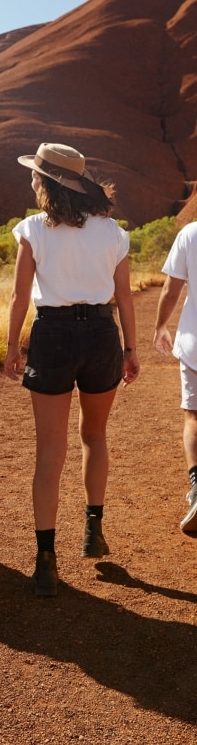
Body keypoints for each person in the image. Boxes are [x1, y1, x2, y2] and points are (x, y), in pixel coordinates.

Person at [3, 143, 140, 597]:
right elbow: (124, 297)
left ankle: (46, 561)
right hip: (102, 334)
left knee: (49, 452)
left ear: (47, 182)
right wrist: (131, 349)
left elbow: (20, 298)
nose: (31, 179)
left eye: (35, 174)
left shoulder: (34, 231)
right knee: (95, 435)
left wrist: (10, 348)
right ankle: (93, 529)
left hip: (53, 336)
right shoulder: (113, 233)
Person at [153, 220, 197, 536]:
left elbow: (171, 288)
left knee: (193, 419)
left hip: (195, 346)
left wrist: (160, 326)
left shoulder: (190, 233)